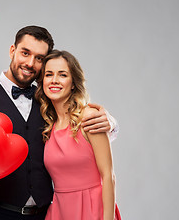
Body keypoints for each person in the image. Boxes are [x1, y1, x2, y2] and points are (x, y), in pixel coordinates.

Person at [0, 26, 119, 220]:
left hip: (44, 215)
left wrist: (110, 122)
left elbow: (80, 129)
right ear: (12, 50)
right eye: (25, 53)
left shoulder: (49, 100)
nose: (29, 63)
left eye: (39, 58)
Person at [35, 50, 121, 219]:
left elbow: (108, 176)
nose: (54, 80)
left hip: (93, 209)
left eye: (62, 75)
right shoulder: (48, 125)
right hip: (60, 211)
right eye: (49, 74)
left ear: (73, 82)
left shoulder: (89, 117)